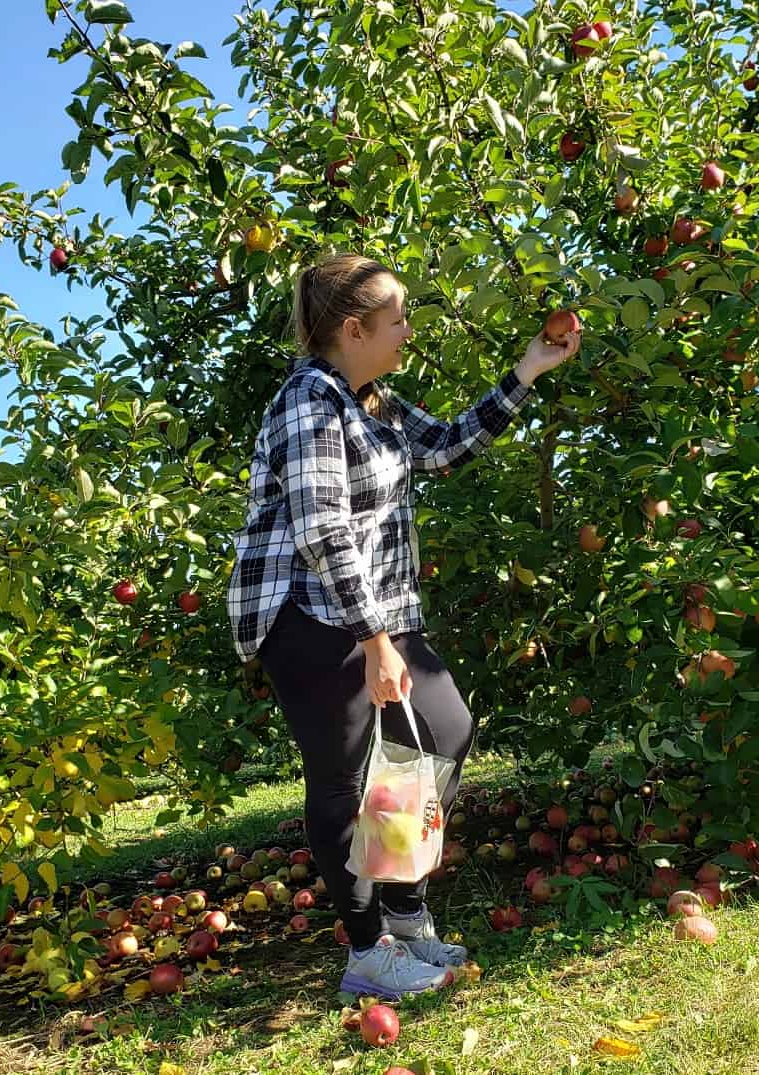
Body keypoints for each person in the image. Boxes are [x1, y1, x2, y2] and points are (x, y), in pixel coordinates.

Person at [225, 253, 581, 1000]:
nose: (408, 332)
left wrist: (528, 370)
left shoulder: (376, 400)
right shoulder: (308, 403)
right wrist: (374, 641)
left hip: (373, 610)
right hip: (308, 615)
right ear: (353, 329)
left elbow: (447, 445)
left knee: (444, 732)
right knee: (343, 778)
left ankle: (403, 909)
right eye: (398, 321)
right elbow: (322, 531)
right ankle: (365, 953)